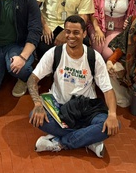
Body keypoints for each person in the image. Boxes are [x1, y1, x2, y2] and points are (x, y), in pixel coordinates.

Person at [27, 15, 120, 156]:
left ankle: (60, 143)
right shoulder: (54, 53)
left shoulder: (94, 57)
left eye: (76, 32)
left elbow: (107, 90)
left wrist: (112, 114)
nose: (71, 36)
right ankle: (88, 139)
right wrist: (38, 104)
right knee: (35, 117)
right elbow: (32, 79)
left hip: (87, 108)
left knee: (112, 125)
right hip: (60, 108)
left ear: (84, 34)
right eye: (67, 31)